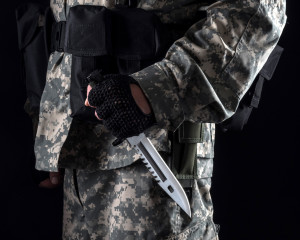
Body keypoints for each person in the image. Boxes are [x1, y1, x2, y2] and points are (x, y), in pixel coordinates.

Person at [28, 0, 286, 239]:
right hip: (76, 145)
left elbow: (257, 10)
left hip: (155, 145)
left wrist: (158, 89)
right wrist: (50, 127)